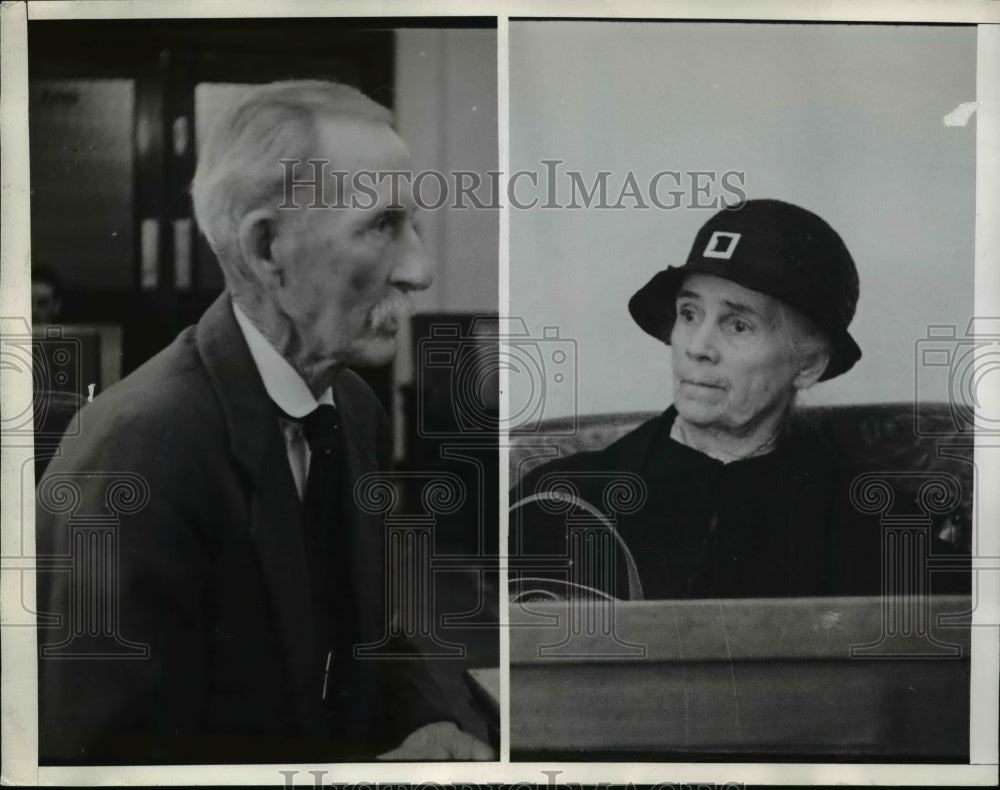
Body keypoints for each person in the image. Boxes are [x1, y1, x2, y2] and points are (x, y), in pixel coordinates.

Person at [35, 81, 493, 764]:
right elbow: (105, 763)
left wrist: (433, 725)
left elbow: (389, 619)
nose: (421, 270)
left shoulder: (351, 406)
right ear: (268, 247)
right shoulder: (139, 455)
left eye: (415, 226)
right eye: (382, 226)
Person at [512, 199, 964, 600]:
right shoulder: (558, 501)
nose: (697, 346)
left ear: (808, 365)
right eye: (689, 314)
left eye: (738, 325)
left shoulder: (879, 532)